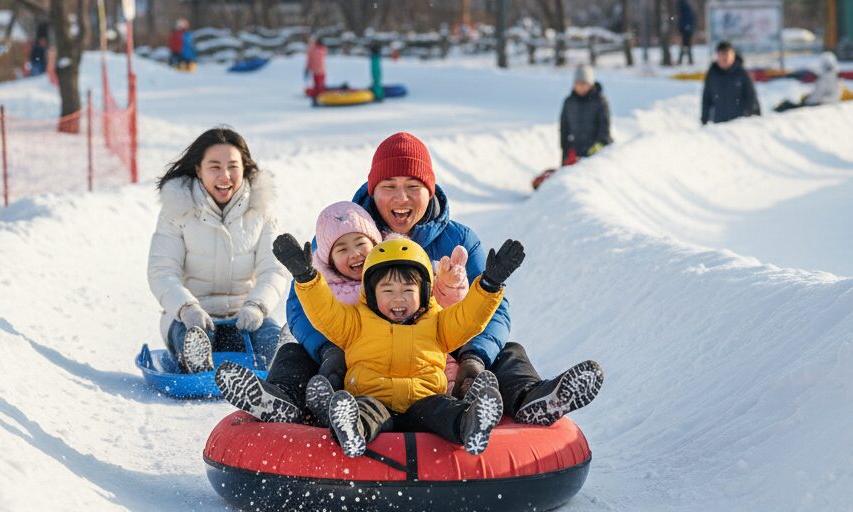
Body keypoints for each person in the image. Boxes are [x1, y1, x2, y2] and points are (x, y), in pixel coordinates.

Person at [282, 132, 604, 427]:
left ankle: (531, 399)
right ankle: (282, 401)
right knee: (295, 354)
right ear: (372, 190)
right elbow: (304, 300)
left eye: (412, 187)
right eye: (389, 187)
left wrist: (473, 357)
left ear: (430, 189)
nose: (400, 199)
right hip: (360, 358)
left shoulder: (458, 239)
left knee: (508, 352)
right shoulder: (345, 231)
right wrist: (330, 351)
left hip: (439, 356)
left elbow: (496, 307)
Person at [214, 200, 470, 421]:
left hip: (386, 369)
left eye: (360, 243)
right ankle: (279, 398)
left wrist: (450, 283)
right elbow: (315, 311)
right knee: (292, 351)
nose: (355, 254)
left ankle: (464, 400)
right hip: (338, 362)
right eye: (341, 249)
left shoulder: (398, 274)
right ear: (329, 258)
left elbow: (440, 309)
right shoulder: (323, 285)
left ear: (375, 243)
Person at [273, 234, 524, 457]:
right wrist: (306, 278)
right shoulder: (356, 322)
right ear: (371, 294)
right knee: (364, 412)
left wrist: (489, 285)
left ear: (424, 292)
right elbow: (324, 312)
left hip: (424, 401)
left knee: (445, 409)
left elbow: (469, 318)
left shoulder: (437, 323)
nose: (398, 298)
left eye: (408, 289)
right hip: (373, 398)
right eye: (387, 290)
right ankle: (351, 430)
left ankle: (471, 424)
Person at [147, 127, 287, 374]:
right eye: (214, 167)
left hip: (244, 317)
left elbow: (273, 269)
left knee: (272, 341)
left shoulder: (261, 210)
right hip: (190, 318)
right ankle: (196, 361)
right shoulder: (177, 210)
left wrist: (257, 306)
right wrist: (186, 308)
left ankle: (283, 368)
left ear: (244, 169)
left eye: (233, 166)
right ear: (199, 171)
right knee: (193, 337)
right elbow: (162, 271)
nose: (225, 176)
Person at [560, 64, 612, 165]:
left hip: (595, 153)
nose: (580, 87)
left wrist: (597, 147)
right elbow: (564, 128)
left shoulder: (600, 102)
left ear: (590, 84)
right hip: (574, 152)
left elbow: (604, 129)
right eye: (577, 83)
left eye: (583, 84)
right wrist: (566, 152)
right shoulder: (569, 102)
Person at [701, 41, 760, 124]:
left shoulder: (742, 73)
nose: (725, 58)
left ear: (733, 55)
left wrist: (756, 119)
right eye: (722, 54)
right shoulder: (712, 74)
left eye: (727, 54)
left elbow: (752, 97)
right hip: (719, 124)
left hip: (740, 124)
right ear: (717, 56)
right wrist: (704, 119)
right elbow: (706, 98)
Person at [774, 51, 841, 112]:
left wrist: (805, 103)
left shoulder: (826, 78)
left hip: (822, 104)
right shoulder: (834, 76)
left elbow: (817, 95)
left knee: (788, 105)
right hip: (828, 102)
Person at [304, 34, 328, 100]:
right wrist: (307, 68)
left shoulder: (321, 48)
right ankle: (316, 97)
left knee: (320, 86)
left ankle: (319, 97)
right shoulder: (312, 49)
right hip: (316, 71)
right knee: (318, 85)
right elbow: (309, 60)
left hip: (321, 70)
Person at [677, 0, 696, 65]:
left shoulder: (683, 10)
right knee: (687, 46)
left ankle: (681, 60)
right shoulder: (689, 9)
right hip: (689, 29)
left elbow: (682, 21)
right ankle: (689, 60)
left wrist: (681, 29)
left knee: (684, 45)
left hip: (685, 30)